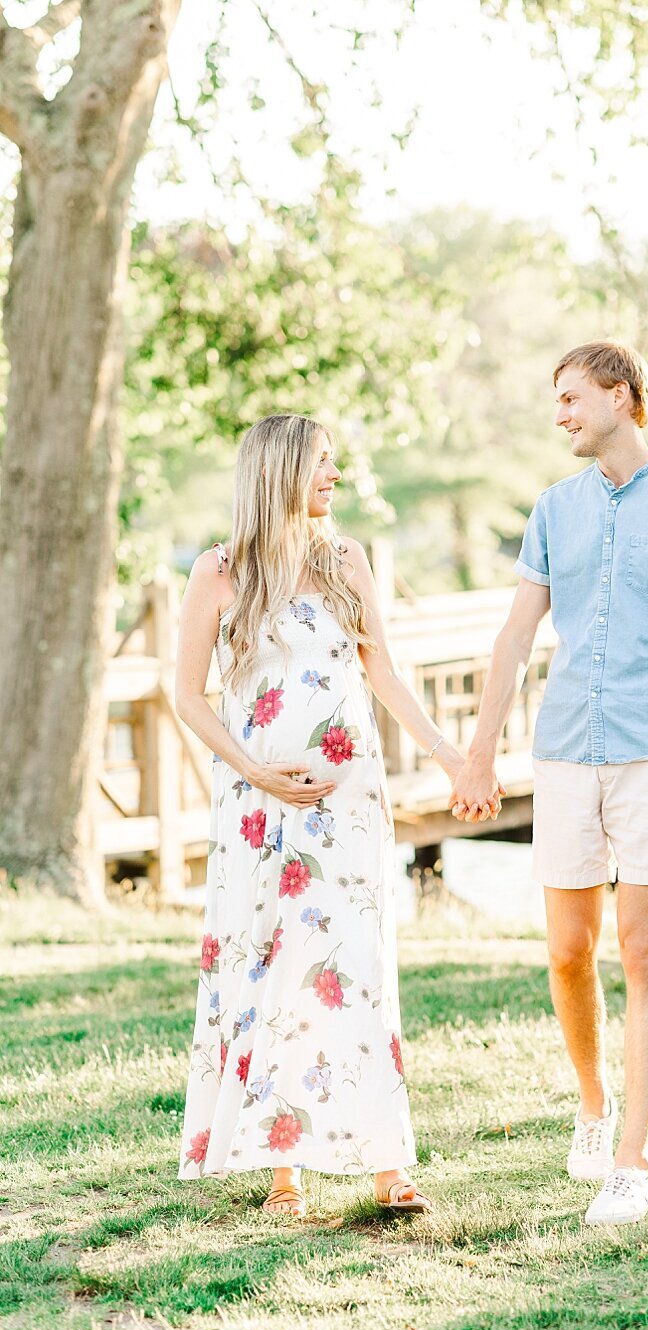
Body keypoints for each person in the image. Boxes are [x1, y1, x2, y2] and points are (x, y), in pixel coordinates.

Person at [175, 413, 499, 1217]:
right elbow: (187, 694)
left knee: (359, 968)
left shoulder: (345, 559)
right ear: (280, 470)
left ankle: (389, 1163)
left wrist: (451, 755)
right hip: (257, 811)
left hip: (351, 808)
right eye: (323, 463)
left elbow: (380, 673)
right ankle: (284, 1172)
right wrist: (253, 769)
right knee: (275, 970)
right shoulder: (219, 572)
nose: (335, 476)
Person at [449, 341, 648, 1225]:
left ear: (622, 396)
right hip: (567, 748)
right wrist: (478, 749)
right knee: (569, 949)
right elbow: (514, 638)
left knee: (642, 949)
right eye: (558, 401)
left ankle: (633, 1162)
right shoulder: (553, 509)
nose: (563, 415)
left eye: (573, 398)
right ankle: (592, 1101)